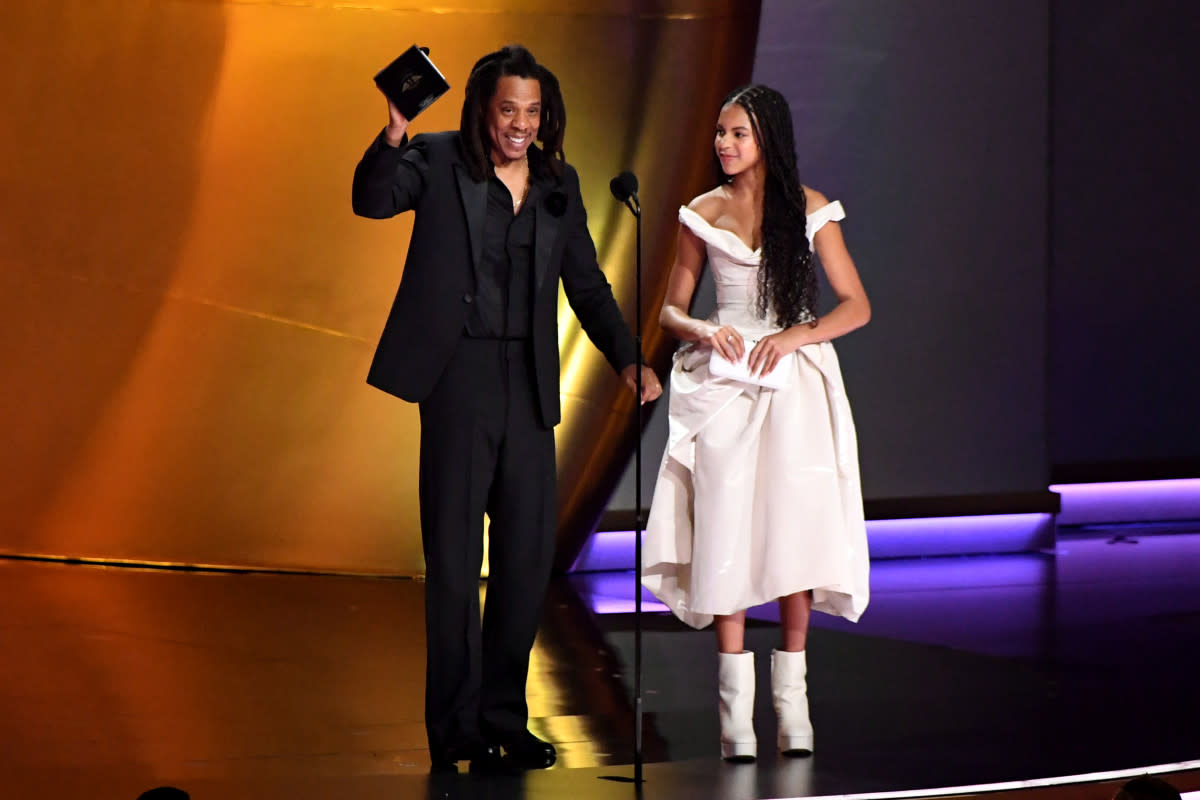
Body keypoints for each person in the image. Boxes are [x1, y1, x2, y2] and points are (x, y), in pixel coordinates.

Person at [352, 44, 661, 772]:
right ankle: (455, 728)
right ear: (484, 111)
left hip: (528, 383)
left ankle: (504, 718)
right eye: (507, 110)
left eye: (532, 112)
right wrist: (394, 128)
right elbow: (370, 199)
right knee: (456, 568)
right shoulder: (434, 160)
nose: (520, 125)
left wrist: (627, 358)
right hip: (457, 378)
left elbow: (586, 284)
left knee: (525, 562)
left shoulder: (559, 182)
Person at [642, 84, 871, 761]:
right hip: (724, 385)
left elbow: (856, 305)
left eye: (737, 133)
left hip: (793, 384)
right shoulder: (702, 213)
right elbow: (669, 312)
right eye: (720, 132)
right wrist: (707, 331)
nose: (723, 143)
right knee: (728, 532)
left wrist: (797, 336)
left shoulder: (807, 208)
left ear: (766, 138)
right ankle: (734, 719)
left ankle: (793, 707)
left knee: (790, 533)